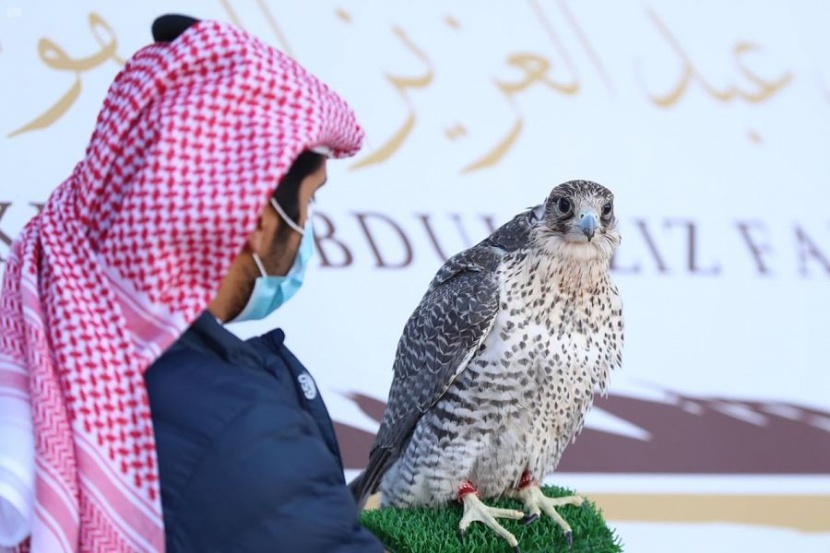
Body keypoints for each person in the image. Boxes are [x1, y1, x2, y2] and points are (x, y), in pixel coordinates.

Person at [0, 14, 383, 552]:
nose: (309, 223)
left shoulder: (37, 334)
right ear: (258, 220)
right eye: (310, 199)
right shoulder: (239, 433)